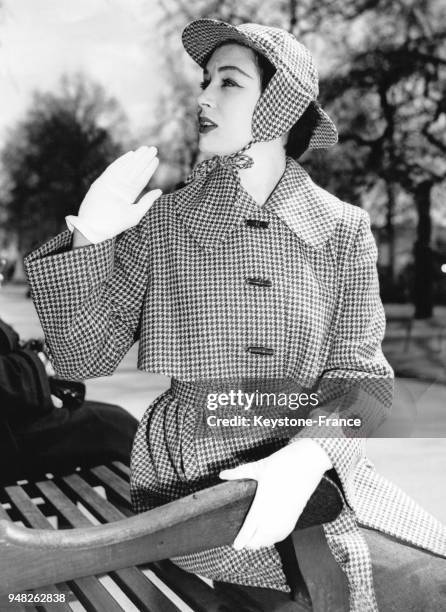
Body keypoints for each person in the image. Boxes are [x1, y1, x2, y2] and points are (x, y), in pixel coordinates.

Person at [24, 19, 445, 612]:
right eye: (205, 80)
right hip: (191, 478)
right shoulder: (168, 220)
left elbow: (365, 377)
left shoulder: (343, 228)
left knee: (429, 574)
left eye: (229, 82)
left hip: (310, 468)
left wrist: (313, 451)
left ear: (278, 104)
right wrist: (91, 240)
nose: (203, 97)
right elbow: (79, 358)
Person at [0, 308, 138, 484]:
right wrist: (38, 360)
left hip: (14, 424)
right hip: (10, 439)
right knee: (112, 425)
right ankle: (166, 503)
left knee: (116, 422)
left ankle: (159, 497)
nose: (2, 278)